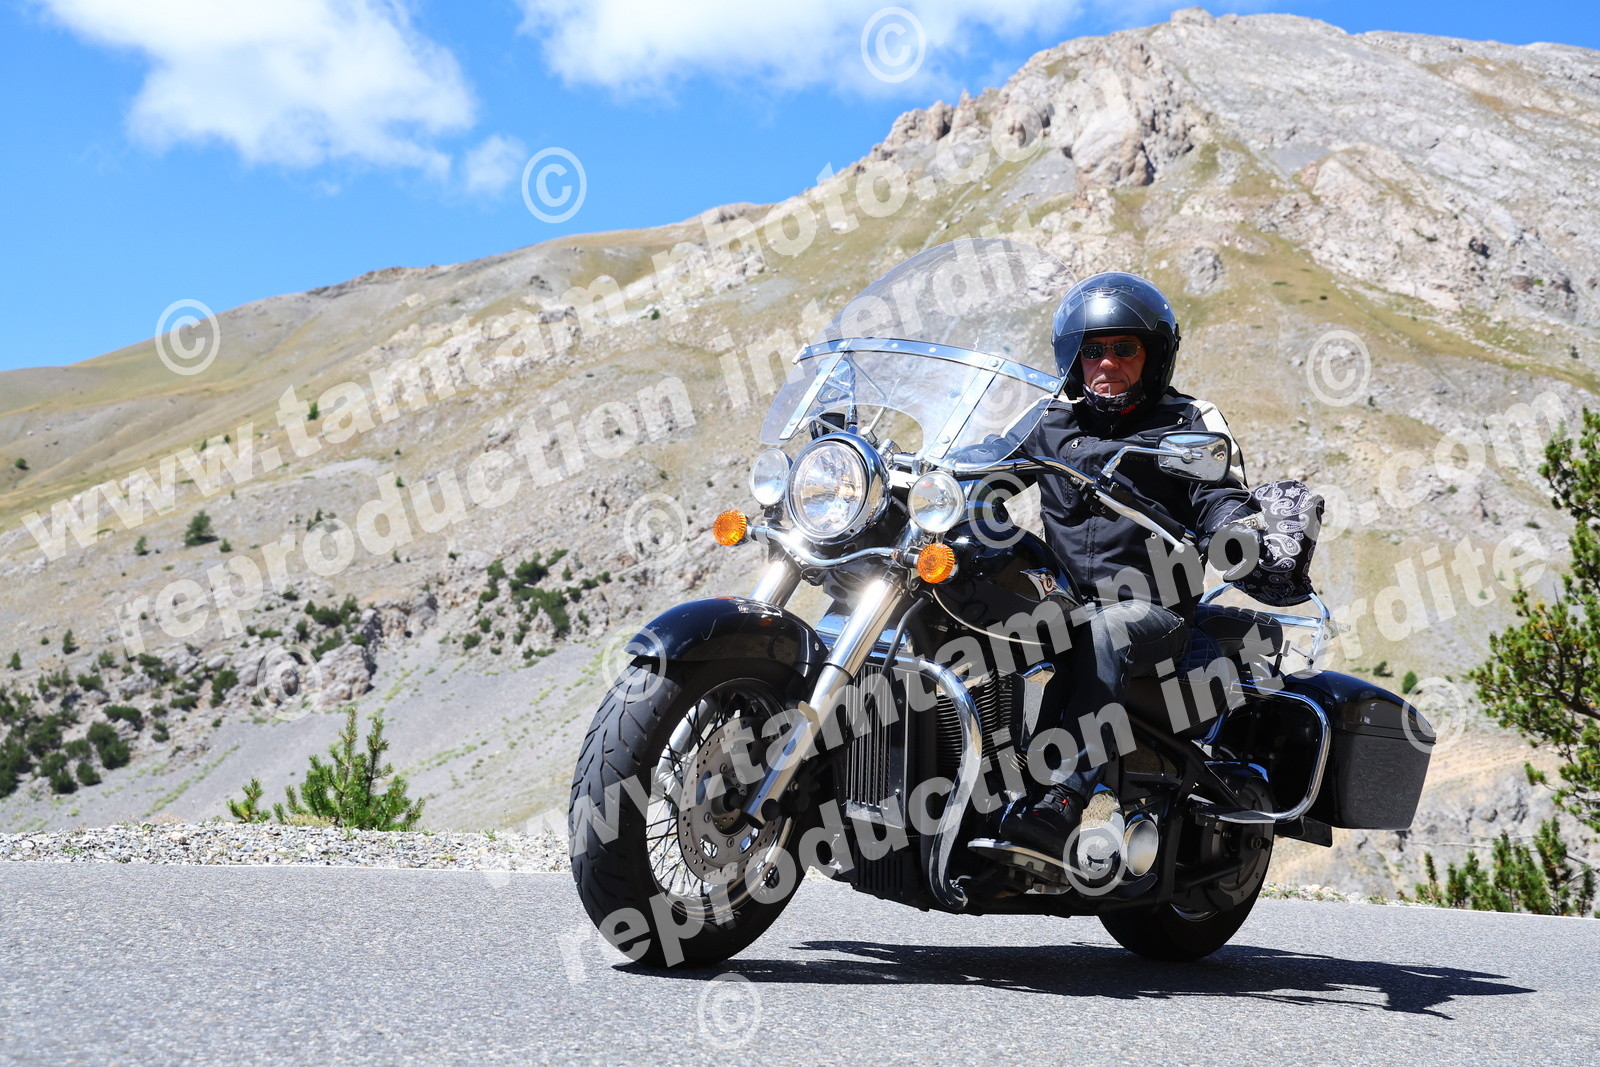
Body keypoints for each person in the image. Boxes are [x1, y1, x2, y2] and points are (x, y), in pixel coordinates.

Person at [997, 271, 1257, 862]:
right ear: (1073, 358)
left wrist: (1233, 528)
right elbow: (984, 476)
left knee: (1104, 631)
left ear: (1154, 356)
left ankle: (1064, 798)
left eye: (1124, 348)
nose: (1107, 363)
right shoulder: (1050, 422)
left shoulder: (1188, 423)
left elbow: (1221, 493)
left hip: (1151, 613)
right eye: (1093, 351)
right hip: (1060, 602)